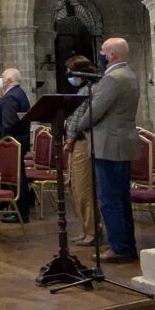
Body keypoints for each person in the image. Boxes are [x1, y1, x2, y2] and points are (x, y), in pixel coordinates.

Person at [76, 38, 140, 263]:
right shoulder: (130, 75)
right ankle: (127, 244)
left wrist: (80, 125)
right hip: (123, 143)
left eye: (103, 52)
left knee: (109, 199)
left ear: (111, 55)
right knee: (121, 198)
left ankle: (119, 247)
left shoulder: (112, 78)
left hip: (108, 146)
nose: (101, 55)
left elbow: (95, 110)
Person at [63, 55, 100, 246]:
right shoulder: (82, 90)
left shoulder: (89, 91)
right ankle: (86, 229)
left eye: (71, 72)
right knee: (74, 188)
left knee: (84, 189)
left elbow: (80, 120)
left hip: (81, 142)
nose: (69, 76)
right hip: (74, 143)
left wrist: (70, 140)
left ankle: (93, 231)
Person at [0, 67, 34, 222]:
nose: (0, 80)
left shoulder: (10, 97)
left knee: (17, 178)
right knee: (13, 176)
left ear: (8, 81)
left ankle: (21, 212)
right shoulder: (19, 93)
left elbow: (8, 125)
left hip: (11, 144)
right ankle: (9, 204)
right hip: (17, 143)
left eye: (2, 77)